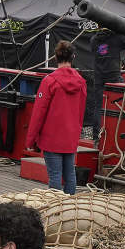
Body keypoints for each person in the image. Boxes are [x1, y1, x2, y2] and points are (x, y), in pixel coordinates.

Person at [25, 40, 88, 194]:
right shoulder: (81, 82)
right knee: (70, 175)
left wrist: (30, 139)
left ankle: (56, 210)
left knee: (55, 176)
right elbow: (82, 111)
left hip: (51, 137)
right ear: (73, 56)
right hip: (70, 136)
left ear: (55, 57)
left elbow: (39, 112)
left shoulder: (49, 81)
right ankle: (70, 208)